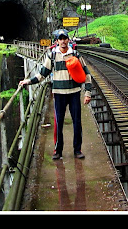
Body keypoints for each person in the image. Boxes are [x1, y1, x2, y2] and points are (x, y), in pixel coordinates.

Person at [20, 29, 92, 160]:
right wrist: (28, 81)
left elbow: (87, 75)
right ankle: (58, 150)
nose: (63, 41)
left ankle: (77, 150)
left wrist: (87, 93)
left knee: (77, 122)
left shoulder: (75, 55)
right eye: (61, 38)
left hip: (74, 93)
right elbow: (42, 74)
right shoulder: (52, 56)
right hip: (59, 93)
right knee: (58, 122)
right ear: (57, 41)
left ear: (68, 40)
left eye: (65, 38)